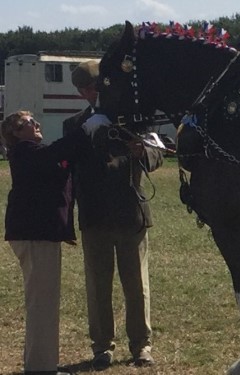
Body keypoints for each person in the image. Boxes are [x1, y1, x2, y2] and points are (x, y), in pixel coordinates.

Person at [63, 60, 163, 370]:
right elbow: (71, 165)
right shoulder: (74, 124)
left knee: (136, 285)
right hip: (94, 215)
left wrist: (141, 152)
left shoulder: (133, 119)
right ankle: (101, 347)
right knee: (97, 285)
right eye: (83, 89)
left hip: (130, 213)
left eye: (92, 86)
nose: (88, 93)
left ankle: (141, 345)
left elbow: (157, 153)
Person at [1, 110, 100, 375]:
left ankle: (40, 363)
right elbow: (54, 154)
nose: (36, 124)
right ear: (16, 133)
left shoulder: (34, 153)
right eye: (28, 123)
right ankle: (40, 368)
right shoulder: (23, 152)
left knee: (43, 302)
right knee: (41, 304)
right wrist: (85, 129)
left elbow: (62, 157)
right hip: (35, 235)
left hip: (40, 235)